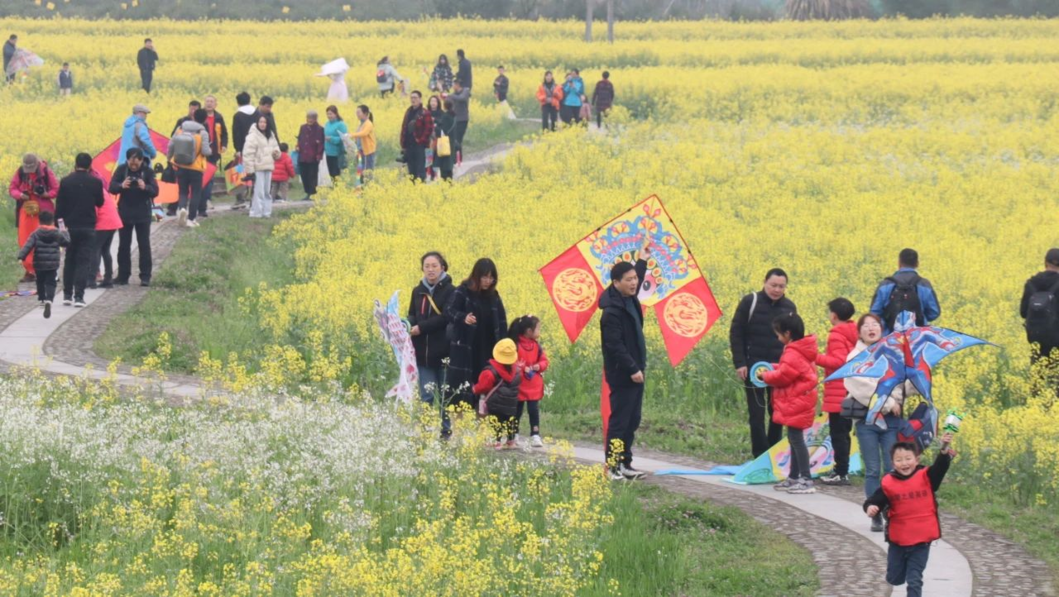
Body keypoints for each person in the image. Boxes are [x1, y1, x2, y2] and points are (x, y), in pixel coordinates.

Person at [864, 437, 956, 597]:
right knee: (895, 577)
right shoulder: (889, 483)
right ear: (893, 464)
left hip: (921, 541)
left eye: (908, 458)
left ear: (917, 460)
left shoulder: (927, 477)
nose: (904, 463)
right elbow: (874, 500)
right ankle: (897, 574)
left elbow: (940, 468)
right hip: (898, 541)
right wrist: (871, 507)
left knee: (914, 579)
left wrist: (944, 449)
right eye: (899, 460)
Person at [847, 312, 908, 532]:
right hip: (868, 420)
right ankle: (875, 512)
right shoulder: (855, 356)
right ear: (860, 331)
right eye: (866, 326)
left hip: (891, 420)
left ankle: (891, 511)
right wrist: (888, 403)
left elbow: (900, 382)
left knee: (893, 467)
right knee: (873, 469)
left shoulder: (892, 353)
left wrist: (913, 374)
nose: (871, 328)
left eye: (875, 325)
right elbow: (863, 388)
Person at [729, 268, 797, 458]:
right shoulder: (750, 302)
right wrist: (740, 362)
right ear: (764, 282)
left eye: (781, 286)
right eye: (773, 285)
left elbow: (794, 339)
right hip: (753, 368)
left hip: (780, 369)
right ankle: (760, 455)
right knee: (756, 414)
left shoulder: (789, 307)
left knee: (777, 412)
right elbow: (736, 332)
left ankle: (774, 452)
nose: (777, 289)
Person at [600, 243, 650, 481]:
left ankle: (625, 463)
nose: (634, 283)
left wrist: (642, 259)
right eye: (628, 279)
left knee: (633, 419)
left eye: (635, 279)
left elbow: (637, 275)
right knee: (620, 421)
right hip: (623, 372)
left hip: (637, 369)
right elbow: (615, 345)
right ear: (616, 282)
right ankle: (612, 467)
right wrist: (632, 368)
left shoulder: (628, 297)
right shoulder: (611, 311)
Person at [759, 312, 819, 495]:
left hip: (797, 401)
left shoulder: (793, 351)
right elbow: (789, 369)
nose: (777, 337)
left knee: (796, 440)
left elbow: (783, 376)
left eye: (778, 334)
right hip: (799, 400)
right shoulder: (800, 348)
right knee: (794, 439)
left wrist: (765, 375)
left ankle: (806, 479)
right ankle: (794, 477)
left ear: (787, 333)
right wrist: (773, 366)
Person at [446, 258, 507, 415]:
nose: (487, 281)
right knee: (460, 393)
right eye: (484, 277)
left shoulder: (494, 297)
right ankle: (459, 434)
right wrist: (463, 317)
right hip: (465, 350)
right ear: (476, 275)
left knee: (485, 393)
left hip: (487, 351)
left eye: (491, 278)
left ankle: (480, 435)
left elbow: (501, 322)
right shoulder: (463, 291)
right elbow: (449, 311)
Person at [814, 298, 858, 485]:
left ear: (833, 315)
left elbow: (839, 362)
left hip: (838, 392)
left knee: (838, 433)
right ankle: (842, 469)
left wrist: (815, 357)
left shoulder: (837, 334)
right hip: (851, 390)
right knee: (844, 433)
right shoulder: (855, 331)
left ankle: (841, 472)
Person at [55, 153, 104, 308]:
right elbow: (100, 202)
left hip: (70, 227)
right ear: (90, 166)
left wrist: (60, 227)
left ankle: (67, 295)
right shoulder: (96, 182)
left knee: (70, 260)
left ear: (75, 164)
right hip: (88, 226)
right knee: (83, 261)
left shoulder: (65, 181)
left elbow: (60, 207)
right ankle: (79, 297)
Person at [408, 251, 455, 411]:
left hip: (444, 354)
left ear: (443, 268)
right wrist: (405, 324)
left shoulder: (451, 291)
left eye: (434, 266)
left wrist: (420, 328)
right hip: (423, 353)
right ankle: (425, 432)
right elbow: (413, 314)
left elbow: (445, 318)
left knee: (444, 396)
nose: (430, 270)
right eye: (427, 266)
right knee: (426, 396)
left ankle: (445, 433)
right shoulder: (417, 291)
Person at [110, 147, 158, 287]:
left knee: (144, 246)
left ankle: (145, 277)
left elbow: (155, 191)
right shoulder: (122, 170)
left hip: (143, 214)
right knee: (123, 246)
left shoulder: (148, 171)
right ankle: (123, 276)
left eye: (136, 162)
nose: (133, 165)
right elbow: (111, 187)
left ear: (142, 160)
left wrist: (146, 187)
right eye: (131, 161)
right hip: (125, 213)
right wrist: (121, 185)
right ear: (127, 160)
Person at [8, 153, 58, 283]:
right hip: (26, 209)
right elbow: (12, 188)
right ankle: (29, 270)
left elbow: (56, 190)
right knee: (25, 239)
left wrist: (46, 194)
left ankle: (46, 270)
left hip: (43, 211)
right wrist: (20, 195)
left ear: (37, 164)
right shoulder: (20, 172)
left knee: (44, 240)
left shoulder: (46, 171)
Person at [870, 248, 942, 332]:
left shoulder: (885, 284)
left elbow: (874, 313)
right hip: (917, 338)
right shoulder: (924, 284)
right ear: (917, 264)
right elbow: (934, 313)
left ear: (899, 263)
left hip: (890, 338)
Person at [17, 210, 67, 318]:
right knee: (51, 282)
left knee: (40, 281)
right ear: (52, 221)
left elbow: (28, 245)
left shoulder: (36, 233)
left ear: (39, 221)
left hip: (39, 262)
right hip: (53, 262)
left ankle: (42, 299)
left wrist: (21, 256)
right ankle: (49, 300)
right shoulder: (57, 232)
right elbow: (66, 242)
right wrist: (64, 231)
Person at [473, 338, 522, 449]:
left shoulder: (491, 372)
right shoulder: (518, 371)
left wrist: (474, 389)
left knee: (496, 421)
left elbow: (484, 386)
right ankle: (511, 440)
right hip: (511, 403)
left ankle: (497, 441)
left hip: (495, 403)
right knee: (510, 421)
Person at [169, 108, 212, 228]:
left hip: (181, 165)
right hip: (196, 168)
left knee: (183, 191)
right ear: (204, 119)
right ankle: (191, 219)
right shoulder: (203, 132)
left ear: (193, 117)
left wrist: (169, 159)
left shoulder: (181, 129)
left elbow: (171, 144)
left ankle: (182, 209)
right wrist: (210, 149)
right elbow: (205, 151)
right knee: (196, 193)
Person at [510, 315, 548, 447]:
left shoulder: (537, 346)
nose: (539, 332)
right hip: (520, 384)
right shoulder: (516, 345)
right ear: (528, 331)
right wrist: (521, 367)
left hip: (533, 385)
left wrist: (540, 366)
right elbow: (511, 361)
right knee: (517, 410)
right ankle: (514, 433)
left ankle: (535, 434)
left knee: (533, 410)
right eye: (538, 329)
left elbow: (544, 361)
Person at [1020, 248, 1059, 369]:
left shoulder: (1031, 283)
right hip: (1056, 339)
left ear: (1045, 262)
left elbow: (1023, 312)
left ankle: (1036, 387)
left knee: (1037, 378)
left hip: (1036, 337)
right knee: (1055, 379)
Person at [166, 100, 200, 218]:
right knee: (180, 187)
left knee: (184, 189)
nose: (193, 111)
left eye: (195, 109)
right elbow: (173, 137)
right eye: (191, 108)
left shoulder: (201, 124)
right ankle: (174, 208)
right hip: (182, 161)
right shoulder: (182, 121)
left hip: (190, 163)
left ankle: (186, 211)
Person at [242, 115, 281, 219]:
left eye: (265, 122)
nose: (263, 124)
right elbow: (248, 154)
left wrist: (277, 153)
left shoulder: (271, 134)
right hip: (257, 167)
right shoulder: (252, 136)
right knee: (258, 192)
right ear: (257, 123)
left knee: (267, 192)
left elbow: (276, 147)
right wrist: (249, 169)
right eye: (261, 122)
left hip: (268, 166)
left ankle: (266, 213)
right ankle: (256, 213)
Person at [89, 178, 122, 289]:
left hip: (103, 223)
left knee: (95, 249)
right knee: (105, 250)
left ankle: (91, 279)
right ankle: (108, 279)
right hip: (113, 222)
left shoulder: (93, 192)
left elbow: (94, 211)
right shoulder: (102, 190)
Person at [200, 95, 228, 215]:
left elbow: (224, 133)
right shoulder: (200, 116)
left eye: (211, 102)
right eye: (207, 101)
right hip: (200, 152)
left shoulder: (218, 117)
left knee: (210, 177)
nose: (209, 103)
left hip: (214, 152)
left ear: (215, 104)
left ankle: (207, 199)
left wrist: (224, 145)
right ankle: (201, 200)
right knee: (201, 176)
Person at [399, 91, 433, 183]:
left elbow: (429, 129)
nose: (413, 100)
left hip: (420, 146)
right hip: (409, 145)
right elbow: (404, 127)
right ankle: (413, 189)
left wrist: (420, 140)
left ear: (420, 99)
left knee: (421, 169)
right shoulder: (408, 111)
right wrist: (403, 143)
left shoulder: (424, 113)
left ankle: (421, 188)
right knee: (411, 170)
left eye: (415, 97)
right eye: (412, 98)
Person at [231, 92, 256, 207]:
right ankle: (254, 197)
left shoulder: (238, 115)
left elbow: (236, 134)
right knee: (255, 172)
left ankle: (240, 198)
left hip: (243, 149)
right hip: (256, 149)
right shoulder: (257, 113)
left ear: (238, 102)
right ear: (249, 100)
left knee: (240, 171)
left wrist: (238, 149)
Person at [295, 110, 325, 201]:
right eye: (308, 118)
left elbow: (321, 144)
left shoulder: (320, 129)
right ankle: (307, 192)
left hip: (313, 156)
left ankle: (312, 193)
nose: (310, 120)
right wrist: (297, 146)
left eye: (312, 118)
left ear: (316, 119)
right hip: (302, 155)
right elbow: (300, 139)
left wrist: (319, 156)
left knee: (312, 175)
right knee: (304, 175)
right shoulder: (303, 127)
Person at [349, 105, 376, 184]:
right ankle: (362, 188)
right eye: (356, 112)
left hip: (367, 152)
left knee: (367, 171)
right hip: (360, 151)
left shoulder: (368, 124)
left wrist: (352, 135)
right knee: (360, 171)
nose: (357, 114)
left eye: (358, 112)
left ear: (365, 113)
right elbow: (358, 137)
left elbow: (364, 133)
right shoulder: (361, 124)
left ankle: (369, 187)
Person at [323, 105, 349, 180]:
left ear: (336, 114)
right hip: (328, 152)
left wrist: (331, 138)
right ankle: (335, 189)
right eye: (327, 114)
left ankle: (338, 189)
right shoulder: (327, 124)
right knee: (331, 173)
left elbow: (344, 138)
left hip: (337, 153)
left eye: (331, 114)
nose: (329, 116)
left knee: (336, 173)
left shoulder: (340, 124)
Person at [433, 100, 456, 181]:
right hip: (450, 143)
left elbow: (443, 130)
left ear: (444, 106)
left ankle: (446, 184)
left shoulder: (446, 116)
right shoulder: (453, 115)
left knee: (444, 166)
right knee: (449, 166)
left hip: (444, 144)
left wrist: (435, 127)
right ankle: (449, 183)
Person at [449, 80, 470, 166]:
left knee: (458, 139)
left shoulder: (465, 91)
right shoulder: (454, 93)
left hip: (462, 119)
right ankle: (455, 159)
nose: (452, 86)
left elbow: (462, 98)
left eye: (453, 85)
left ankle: (458, 159)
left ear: (457, 85)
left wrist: (450, 96)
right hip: (454, 119)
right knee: (454, 139)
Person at [425, 95, 444, 181]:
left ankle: (435, 173)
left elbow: (443, 123)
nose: (433, 103)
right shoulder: (425, 112)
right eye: (431, 101)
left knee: (436, 156)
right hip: (428, 138)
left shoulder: (441, 113)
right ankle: (428, 173)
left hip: (438, 138)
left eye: (435, 101)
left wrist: (435, 120)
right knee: (429, 155)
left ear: (438, 103)